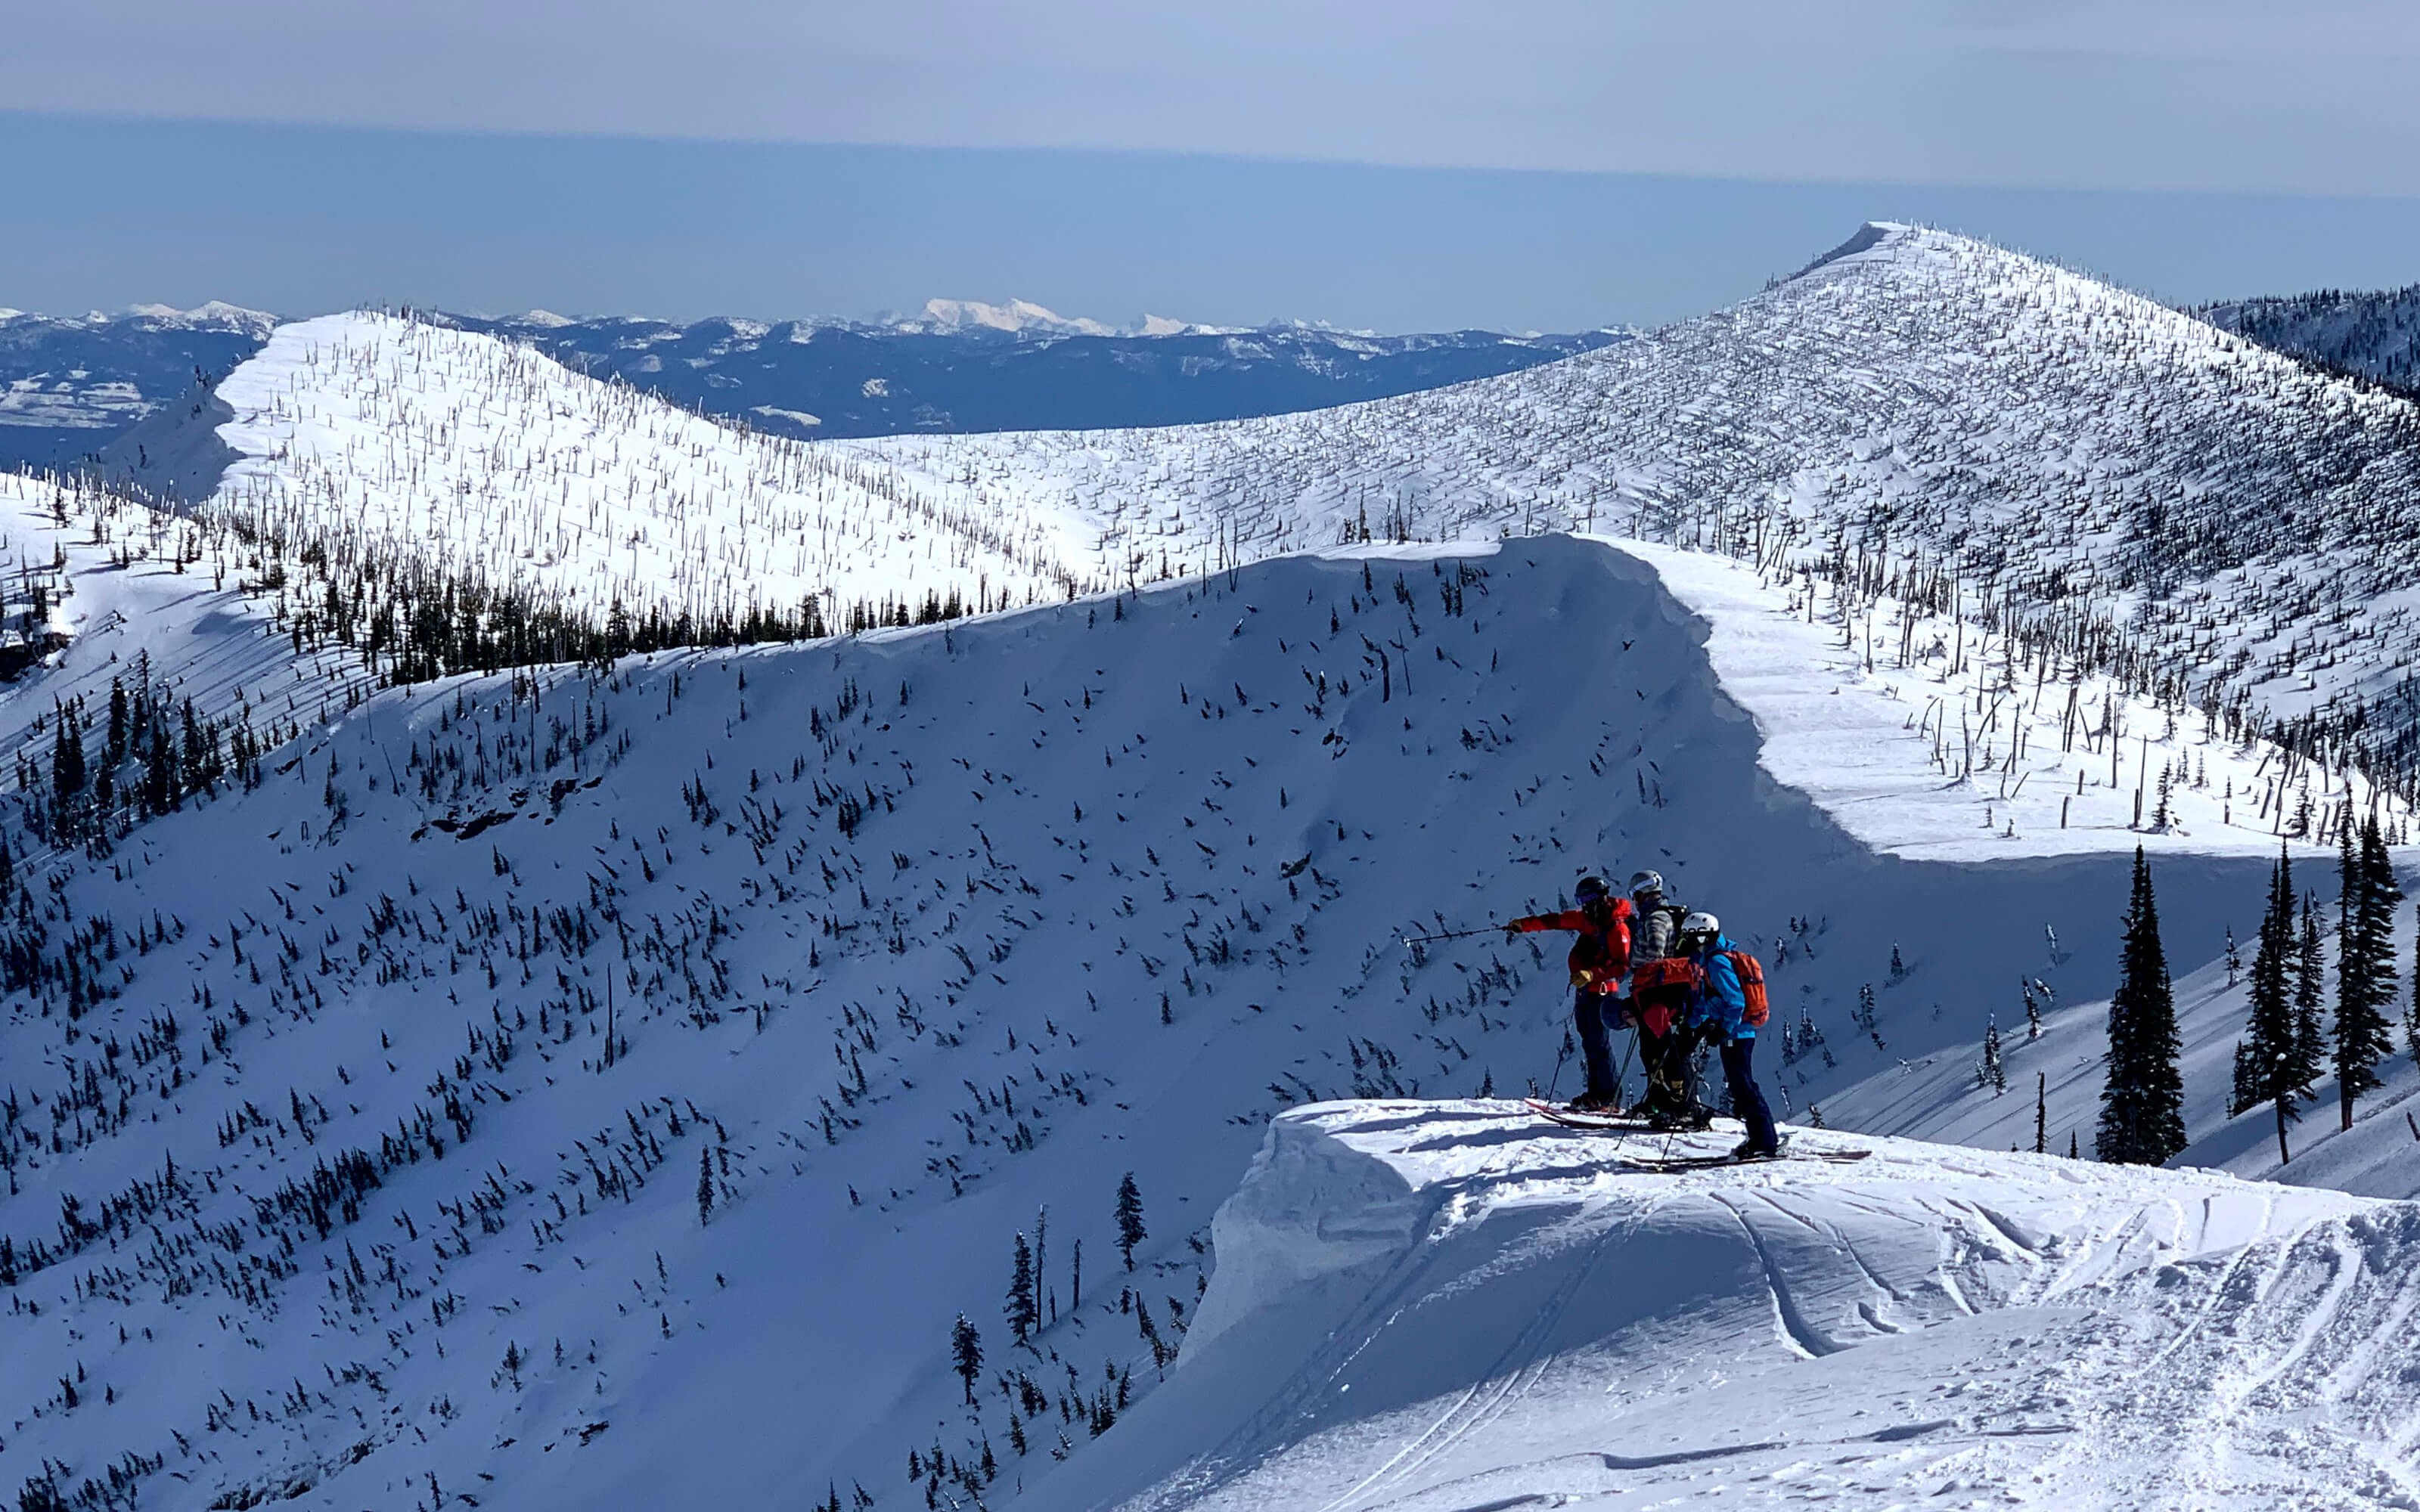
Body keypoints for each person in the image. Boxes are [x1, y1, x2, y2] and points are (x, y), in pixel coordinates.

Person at [1505, 876, 1634, 1111]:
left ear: (1599, 899)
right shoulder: (1589, 919)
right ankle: (1598, 1096)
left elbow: (1622, 967)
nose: (1582, 905)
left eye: (1586, 900)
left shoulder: (1617, 929)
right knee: (1590, 1042)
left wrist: (1592, 975)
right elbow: (1557, 921)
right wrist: (1524, 925)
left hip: (1603, 992)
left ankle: (1609, 1099)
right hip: (1585, 991)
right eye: (1580, 900)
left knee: (1599, 1043)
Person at [1677, 911, 1781, 1159]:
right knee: (1743, 1085)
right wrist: (1694, 1025)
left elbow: (1735, 1000)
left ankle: (1764, 1142)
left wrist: (1723, 1028)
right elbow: (1708, 999)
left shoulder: (1716, 962)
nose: (1688, 942)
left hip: (1737, 1034)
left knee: (1744, 1086)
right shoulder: (1711, 959)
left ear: (1701, 937)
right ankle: (1763, 1139)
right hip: (1734, 1033)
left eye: (1691, 936)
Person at [1622, 871, 1702, 1126]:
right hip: (1660, 988)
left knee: (1659, 1046)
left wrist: (1637, 964)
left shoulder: (1656, 918)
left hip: (1656, 990)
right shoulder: (1660, 915)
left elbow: (1656, 953)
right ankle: (1659, 1101)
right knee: (1652, 1047)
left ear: (1640, 894)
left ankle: (1676, 1104)